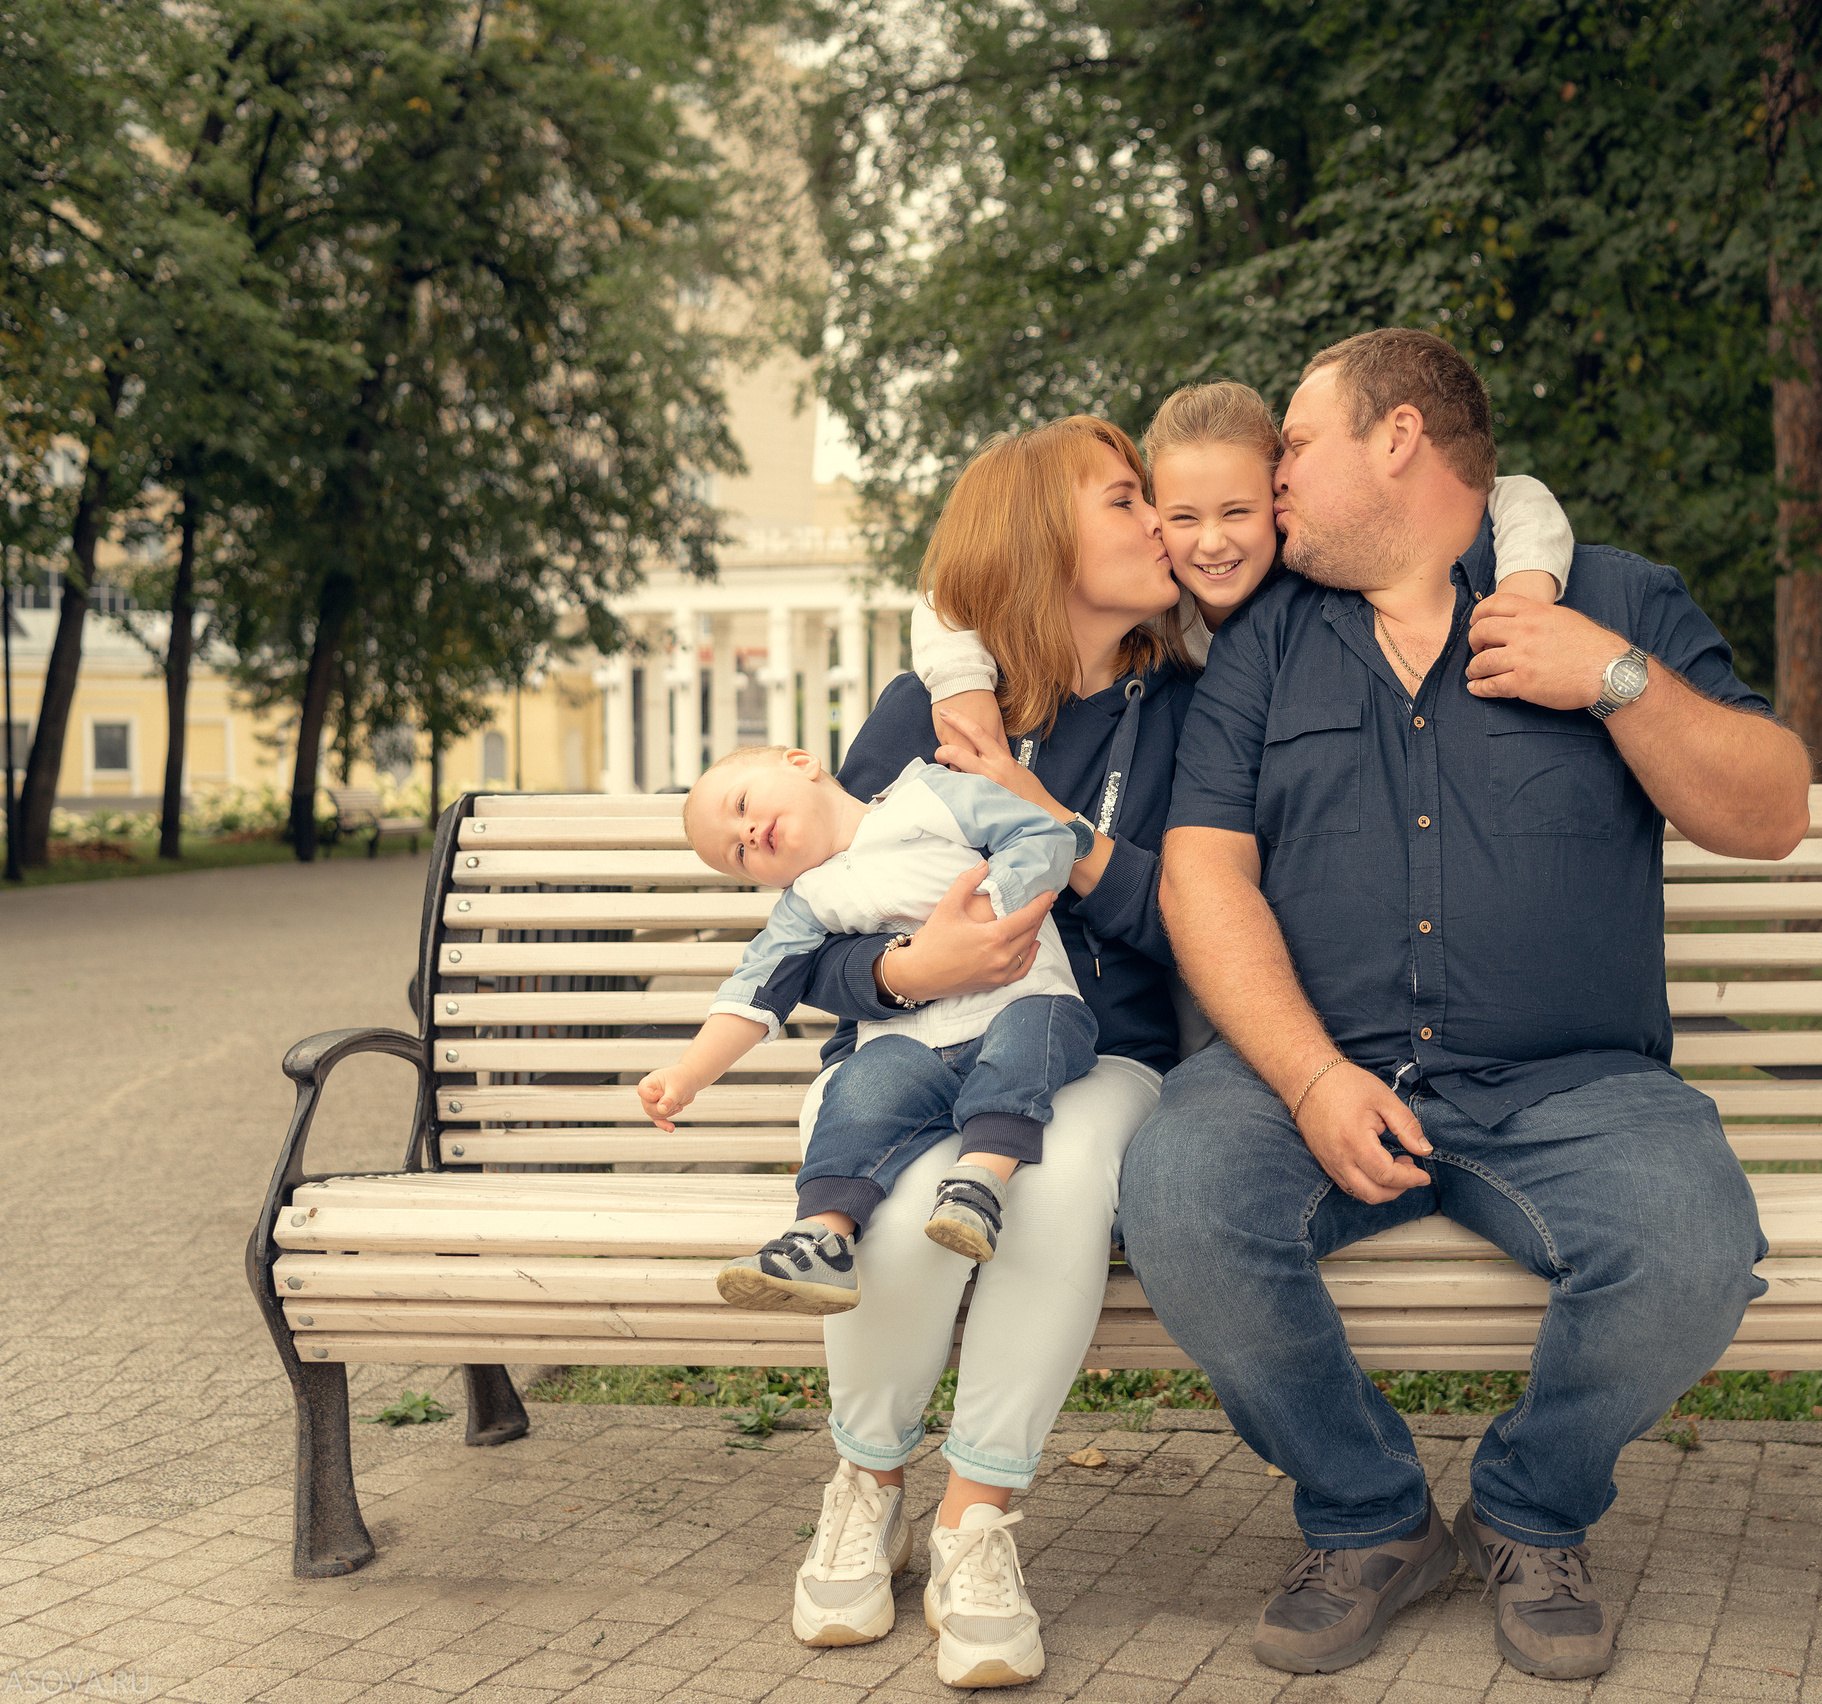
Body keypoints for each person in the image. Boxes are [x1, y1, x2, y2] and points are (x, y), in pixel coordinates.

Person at [1122, 328, 1813, 1683]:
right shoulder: (1266, 642)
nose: (1274, 489)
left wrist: (1610, 679)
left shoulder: (1613, 597)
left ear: (1397, 441)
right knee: (1180, 1192)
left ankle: (1529, 1511)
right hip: (1311, 1073)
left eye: (1297, 450)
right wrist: (1313, 1077)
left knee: (1691, 1244)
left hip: (1572, 1085)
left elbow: (1773, 806)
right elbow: (1204, 874)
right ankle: (1372, 1516)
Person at [768, 414, 1196, 1689]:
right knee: (895, 1218)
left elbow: (1197, 921)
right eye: (1124, 502)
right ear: (1042, 539)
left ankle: (977, 1522)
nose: (1157, 524)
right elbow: (812, 935)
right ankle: (867, 1476)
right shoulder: (921, 707)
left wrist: (1055, 831)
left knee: (1054, 1190)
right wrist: (908, 970)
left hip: (1093, 1050)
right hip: (908, 1044)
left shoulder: (1185, 707)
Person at [635, 744, 1097, 1312]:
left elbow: (1045, 836)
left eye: (743, 805)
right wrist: (687, 1073)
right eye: (737, 853)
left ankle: (978, 1182)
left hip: (1022, 998)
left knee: (1027, 1044)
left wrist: (988, 906)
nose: (749, 835)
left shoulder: (930, 796)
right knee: (857, 1089)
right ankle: (820, 1241)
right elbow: (755, 988)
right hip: (914, 1043)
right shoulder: (807, 900)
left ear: (800, 763)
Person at [912, 379, 1578, 752]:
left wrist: (1525, 591)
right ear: (1153, 512)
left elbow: (1512, 494)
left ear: (1278, 500)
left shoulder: (1316, 580)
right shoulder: (1153, 601)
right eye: (1182, 518)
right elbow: (954, 591)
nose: (1210, 545)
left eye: (1237, 514)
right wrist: (963, 691)